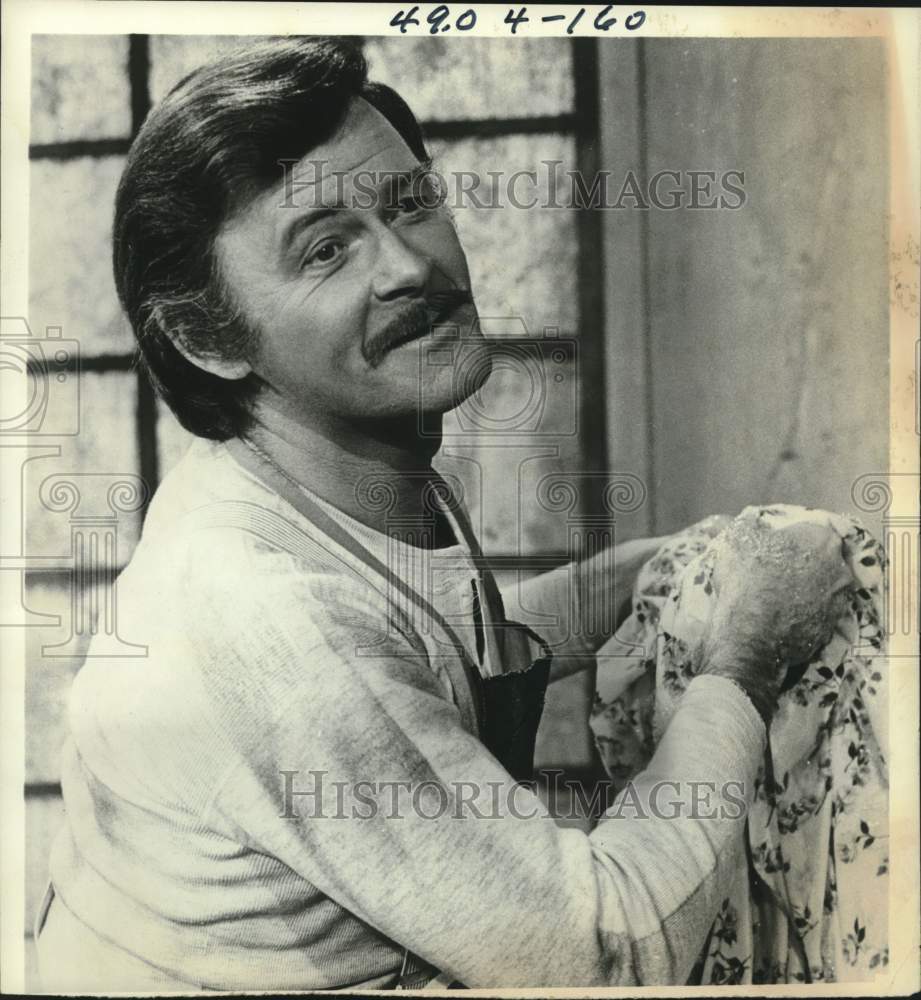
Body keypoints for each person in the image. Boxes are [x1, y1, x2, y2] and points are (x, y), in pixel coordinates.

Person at [35, 37, 852, 991]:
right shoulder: (256, 611)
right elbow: (609, 957)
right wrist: (745, 657)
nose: (407, 267)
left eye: (410, 203)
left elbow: (424, 660)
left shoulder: (318, 462)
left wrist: (665, 566)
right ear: (205, 337)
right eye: (326, 250)